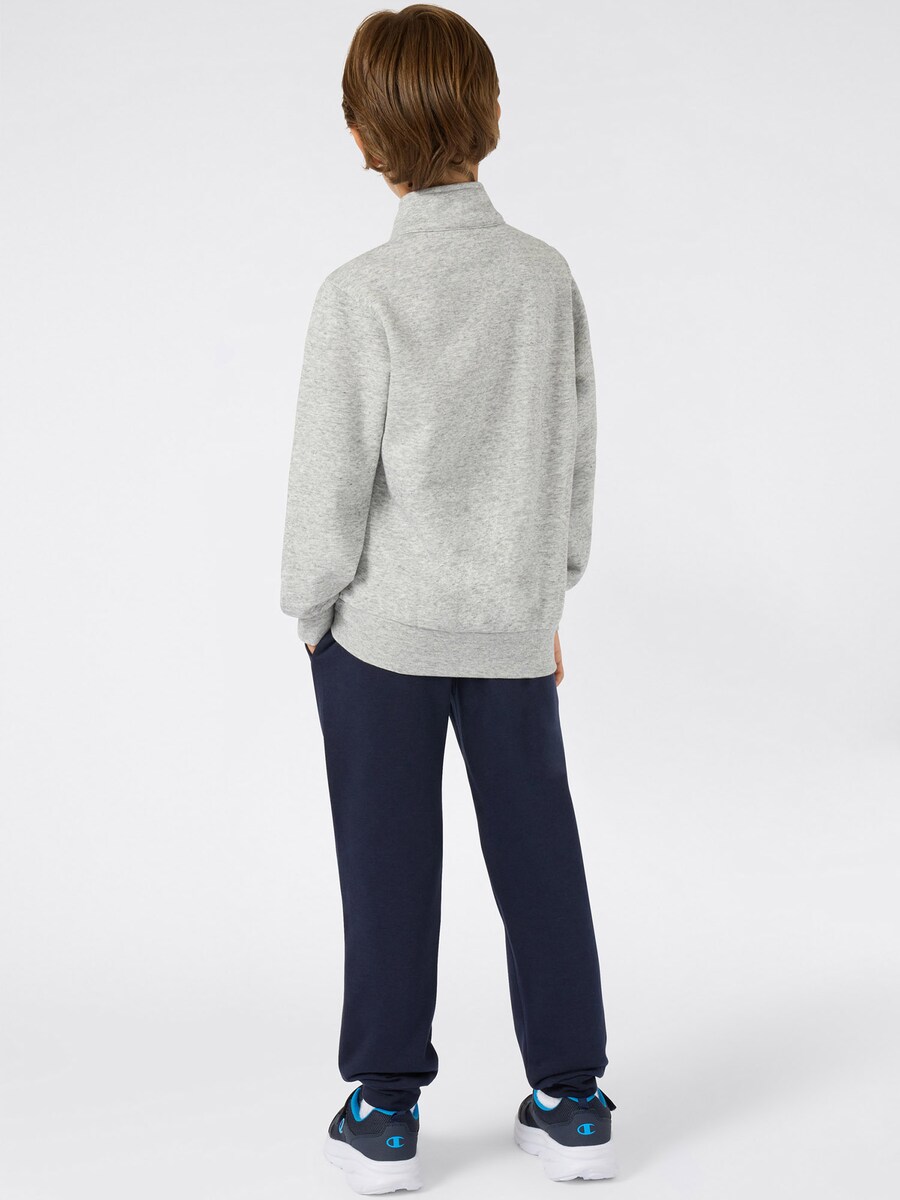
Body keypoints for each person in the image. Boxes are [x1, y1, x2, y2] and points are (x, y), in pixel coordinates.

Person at [280, 4, 616, 1191]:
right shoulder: (544, 278)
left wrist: (310, 612)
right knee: (540, 853)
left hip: (381, 634)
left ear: (361, 135)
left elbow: (328, 484)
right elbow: (575, 454)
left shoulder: (360, 293)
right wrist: (545, 596)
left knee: (387, 861)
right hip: (514, 626)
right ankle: (574, 1101)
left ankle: (385, 1110)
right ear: (493, 117)